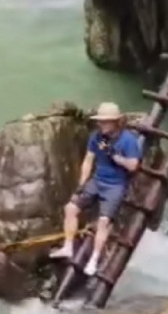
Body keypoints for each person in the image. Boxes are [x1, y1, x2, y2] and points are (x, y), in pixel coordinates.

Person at [52, 102, 142, 278]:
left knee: (103, 222)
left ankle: (93, 259)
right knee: (70, 208)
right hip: (97, 180)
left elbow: (133, 165)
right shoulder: (97, 137)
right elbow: (88, 160)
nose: (101, 124)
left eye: (105, 121)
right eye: (100, 121)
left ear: (116, 122)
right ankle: (68, 247)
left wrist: (118, 158)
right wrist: (82, 184)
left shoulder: (128, 140)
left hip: (115, 185)